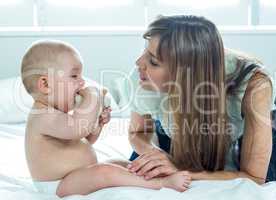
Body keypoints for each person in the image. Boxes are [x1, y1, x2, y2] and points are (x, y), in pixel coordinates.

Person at [127, 15, 276, 184]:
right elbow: (138, 132)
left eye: (154, 61)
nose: (138, 62)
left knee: (275, 169)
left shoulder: (255, 86)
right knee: (147, 164)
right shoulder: (144, 75)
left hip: (244, 100)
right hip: (182, 108)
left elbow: (254, 177)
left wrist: (182, 172)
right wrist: (157, 155)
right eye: (145, 51)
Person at [22, 40, 192, 197]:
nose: (82, 83)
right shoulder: (42, 116)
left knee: (122, 164)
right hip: (58, 184)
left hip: (77, 175)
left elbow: (83, 140)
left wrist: (97, 125)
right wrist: (93, 96)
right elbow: (77, 130)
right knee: (105, 172)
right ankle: (162, 183)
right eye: (74, 77)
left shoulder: (57, 115)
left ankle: (153, 173)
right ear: (45, 85)